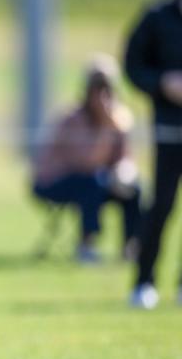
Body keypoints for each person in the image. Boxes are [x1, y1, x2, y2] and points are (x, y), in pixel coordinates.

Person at [31, 54, 141, 264]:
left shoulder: (120, 118)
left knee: (134, 188)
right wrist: (106, 126)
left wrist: (124, 172)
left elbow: (125, 158)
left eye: (107, 89)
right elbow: (86, 163)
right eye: (97, 89)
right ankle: (86, 245)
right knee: (91, 184)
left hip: (97, 181)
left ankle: (131, 246)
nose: (103, 96)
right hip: (54, 182)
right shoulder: (73, 119)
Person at [124, 0, 182, 309]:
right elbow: (133, 65)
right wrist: (162, 83)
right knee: (160, 206)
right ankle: (144, 282)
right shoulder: (156, 15)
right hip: (170, 131)